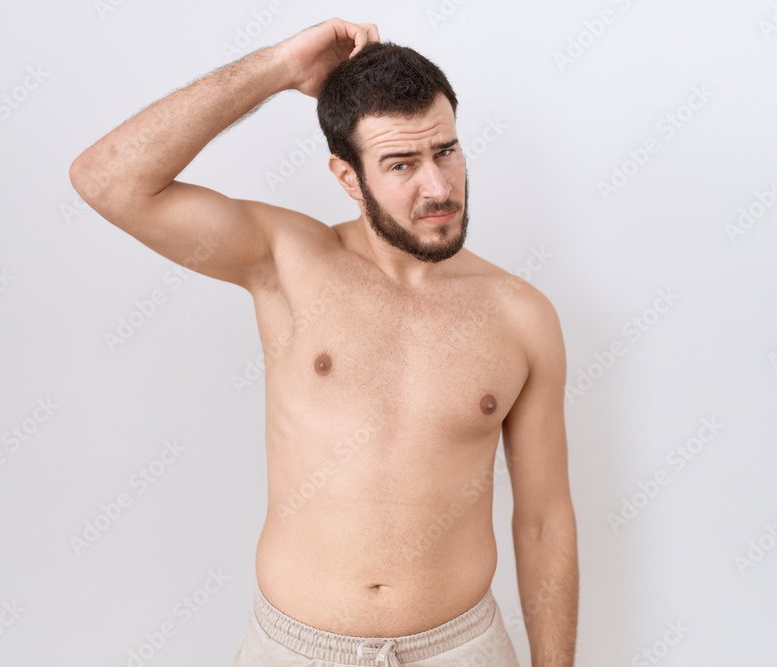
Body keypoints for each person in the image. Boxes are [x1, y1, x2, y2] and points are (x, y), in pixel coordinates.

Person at [69, 17, 577, 667]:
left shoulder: (521, 316)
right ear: (347, 176)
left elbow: (544, 520)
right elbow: (107, 179)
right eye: (401, 164)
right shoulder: (286, 259)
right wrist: (278, 67)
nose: (438, 187)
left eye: (445, 150)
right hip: (295, 650)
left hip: (460, 649)